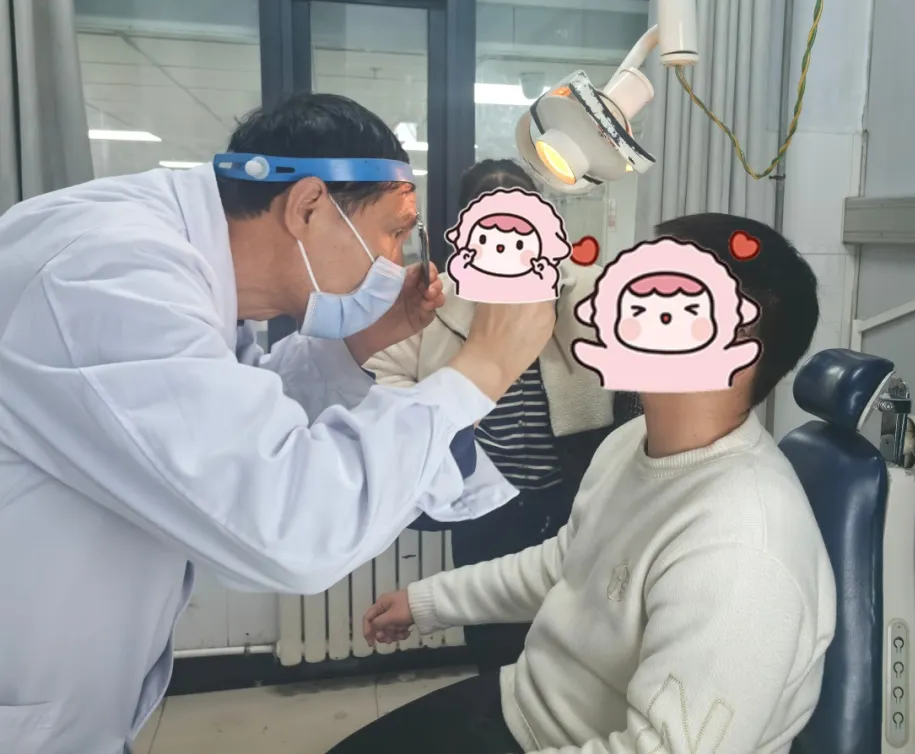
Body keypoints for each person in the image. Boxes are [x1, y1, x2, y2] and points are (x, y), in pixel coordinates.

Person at [0, 94, 555, 754]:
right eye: (392, 233)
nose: (395, 262)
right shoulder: (108, 272)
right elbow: (287, 523)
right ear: (308, 206)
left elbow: (222, 419)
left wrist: (353, 345)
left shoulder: (175, 265)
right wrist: (480, 370)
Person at [339, 213, 838, 754]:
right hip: (523, 704)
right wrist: (427, 601)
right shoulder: (631, 441)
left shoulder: (745, 551)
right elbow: (567, 563)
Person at [366, 158, 638, 672]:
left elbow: (626, 355)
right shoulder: (436, 297)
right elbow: (385, 372)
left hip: (570, 490)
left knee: (572, 629)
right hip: (483, 500)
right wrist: (437, 425)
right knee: (491, 635)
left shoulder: (580, 287)